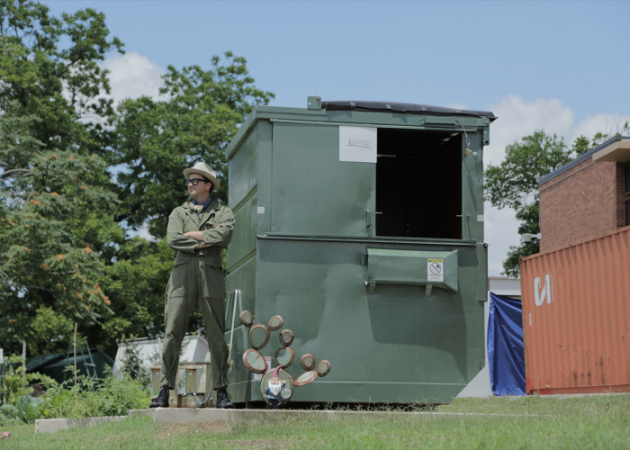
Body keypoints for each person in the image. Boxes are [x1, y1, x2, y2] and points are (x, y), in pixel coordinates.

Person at [150, 162, 235, 409]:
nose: (190, 184)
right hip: (181, 277)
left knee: (217, 336)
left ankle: (221, 392)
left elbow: (225, 235)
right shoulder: (178, 212)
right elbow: (173, 239)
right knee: (172, 333)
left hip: (212, 277)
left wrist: (193, 235)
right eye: (188, 181)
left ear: (208, 185)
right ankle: (164, 390)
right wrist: (207, 239)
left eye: (195, 181)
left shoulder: (224, 213)